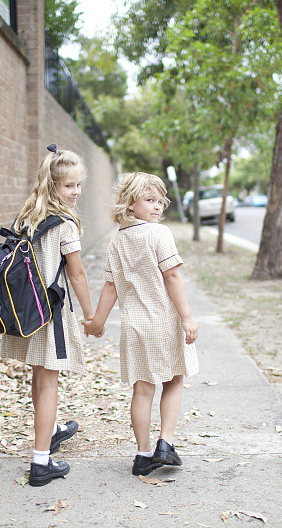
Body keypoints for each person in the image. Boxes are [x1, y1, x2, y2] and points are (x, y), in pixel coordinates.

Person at [84, 172, 198, 477]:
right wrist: (187, 316)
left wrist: (97, 322)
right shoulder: (159, 234)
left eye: (160, 201)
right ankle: (166, 444)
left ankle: (143, 454)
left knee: (142, 389)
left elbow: (110, 286)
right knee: (173, 380)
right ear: (130, 204)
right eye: (150, 200)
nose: (158, 207)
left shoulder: (117, 239)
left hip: (133, 327)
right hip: (163, 321)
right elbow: (172, 276)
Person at [1, 144, 95, 486]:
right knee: (49, 381)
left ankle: (51, 430)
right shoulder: (64, 226)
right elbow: (77, 274)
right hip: (51, 312)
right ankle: (41, 462)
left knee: (39, 377)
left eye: (79, 185)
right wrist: (91, 316)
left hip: (26, 310)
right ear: (52, 184)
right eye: (69, 185)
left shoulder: (24, 217)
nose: (76, 192)